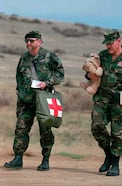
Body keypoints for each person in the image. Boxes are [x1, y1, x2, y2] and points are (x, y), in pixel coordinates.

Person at [4, 30, 64, 171]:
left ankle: (45, 160)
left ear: (39, 41)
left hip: (44, 98)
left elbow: (60, 73)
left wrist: (47, 82)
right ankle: (18, 158)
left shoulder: (50, 56)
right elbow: (19, 75)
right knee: (21, 128)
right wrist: (20, 90)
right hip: (26, 100)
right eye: (27, 41)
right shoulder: (24, 58)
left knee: (45, 129)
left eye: (31, 40)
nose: (28, 43)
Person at [89, 29, 122, 176]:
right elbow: (93, 73)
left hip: (121, 102)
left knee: (118, 133)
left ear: (119, 41)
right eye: (106, 43)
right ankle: (108, 154)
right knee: (97, 126)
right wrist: (90, 72)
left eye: (110, 43)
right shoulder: (103, 56)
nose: (108, 46)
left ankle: (115, 165)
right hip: (102, 100)